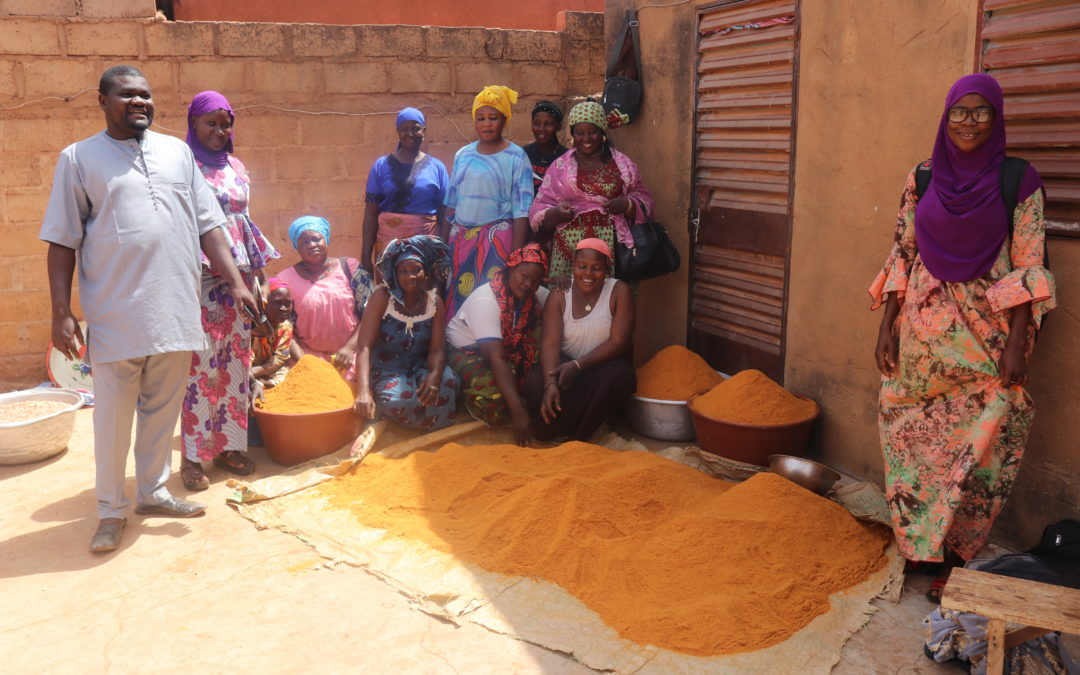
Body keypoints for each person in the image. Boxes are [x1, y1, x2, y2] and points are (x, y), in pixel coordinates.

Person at [40, 65, 257, 553]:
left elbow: (210, 226)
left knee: (162, 411)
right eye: (126, 96)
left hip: (177, 308)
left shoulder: (178, 153)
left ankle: (154, 492)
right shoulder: (78, 159)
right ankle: (110, 510)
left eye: (145, 96)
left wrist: (237, 283)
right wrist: (61, 311)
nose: (139, 103)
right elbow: (60, 240)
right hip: (117, 313)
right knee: (113, 417)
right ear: (101, 101)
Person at [869, 73, 1056, 601]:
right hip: (921, 337)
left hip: (989, 338)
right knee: (909, 433)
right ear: (945, 116)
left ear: (996, 119)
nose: (968, 121)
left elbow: (1029, 263)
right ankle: (918, 545)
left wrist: (1019, 343)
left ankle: (955, 558)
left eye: (981, 112)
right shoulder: (923, 176)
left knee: (982, 447)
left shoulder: (1019, 179)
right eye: (959, 111)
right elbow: (903, 252)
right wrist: (887, 325)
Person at [179, 90, 280, 491]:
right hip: (203, 279)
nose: (220, 131)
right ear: (194, 124)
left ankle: (232, 447)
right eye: (211, 123)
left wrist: (261, 279)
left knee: (237, 365)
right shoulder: (185, 166)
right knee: (199, 370)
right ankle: (192, 457)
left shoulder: (236, 166)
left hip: (240, 281)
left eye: (226, 123)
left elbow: (247, 222)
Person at [529, 100, 654, 284]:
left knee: (609, 303)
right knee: (567, 303)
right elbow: (539, 204)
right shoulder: (560, 167)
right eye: (580, 133)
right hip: (569, 250)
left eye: (592, 131)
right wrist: (554, 213)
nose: (586, 138)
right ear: (572, 134)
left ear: (602, 132)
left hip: (613, 249)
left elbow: (645, 200)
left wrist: (627, 204)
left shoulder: (622, 164)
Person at [526, 238, 636, 441]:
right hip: (567, 368)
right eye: (582, 266)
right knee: (534, 382)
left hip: (600, 366)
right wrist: (550, 383)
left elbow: (619, 343)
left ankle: (579, 436)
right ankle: (559, 424)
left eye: (597, 268)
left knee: (621, 375)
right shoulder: (560, 294)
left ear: (607, 269)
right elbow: (550, 343)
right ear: (573, 265)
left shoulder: (619, 292)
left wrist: (578, 366)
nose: (588, 274)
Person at [444, 85, 534, 320]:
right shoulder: (463, 154)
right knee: (457, 297)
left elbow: (521, 210)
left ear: (504, 120)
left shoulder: (516, 156)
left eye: (493, 118)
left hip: (497, 242)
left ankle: (488, 350)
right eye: (480, 118)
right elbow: (450, 203)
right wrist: (443, 246)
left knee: (491, 300)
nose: (486, 124)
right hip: (460, 241)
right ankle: (458, 350)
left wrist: (514, 256)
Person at [446, 243, 550, 445]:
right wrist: (518, 411)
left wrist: (562, 284)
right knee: (493, 405)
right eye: (524, 276)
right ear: (511, 268)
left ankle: (517, 392)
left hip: (502, 349)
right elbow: (497, 359)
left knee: (541, 335)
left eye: (535, 281)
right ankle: (465, 396)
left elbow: (557, 299)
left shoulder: (533, 294)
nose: (528, 284)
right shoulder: (487, 300)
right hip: (466, 350)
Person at [354, 235, 458, 431]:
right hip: (388, 369)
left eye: (416, 270)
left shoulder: (434, 302)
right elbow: (364, 347)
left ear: (426, 272)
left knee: (448, 381)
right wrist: (363, 391)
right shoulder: (382, 298)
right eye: (403, 271)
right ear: (395, 273)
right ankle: (421, 420)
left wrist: (435, 376)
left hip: (421, 366)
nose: (410, 276)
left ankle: (432, 428)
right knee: (396, 403)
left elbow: (436, 350)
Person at [275, 216, 374, 381]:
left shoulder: (351, 268)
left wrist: (349, 348)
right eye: (304, 242)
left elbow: (370, 315)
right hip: (308, 359)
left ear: (326, 239)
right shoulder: (285, 279)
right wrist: (305, 361)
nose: (312, 244)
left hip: (351, 357)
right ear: (296, 247)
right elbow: (283, 326)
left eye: (316, 239)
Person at [361, 107, 450, 275]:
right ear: (398, 132)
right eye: (404, 129)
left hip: (427, 247)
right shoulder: (381, 166)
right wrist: (365, 256)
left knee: (427, 294)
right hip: (389, 245)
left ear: (424, 130)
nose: (410, 133)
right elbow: (371, 213)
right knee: (388, 295)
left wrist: (442, 250)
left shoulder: (437, 167)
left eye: (416, 128)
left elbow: (445, 213)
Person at [250, 278, 296, 388]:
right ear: (264, 303)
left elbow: (280, 358)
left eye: (287, 303)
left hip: (263, 370)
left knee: (287, 372)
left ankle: (263, 384)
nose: (283, 308)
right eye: (277, 303)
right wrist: (247, 372)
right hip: (245, 368)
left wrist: (253, 372)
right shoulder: (250, 325)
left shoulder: (285, 327)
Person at [522, 100, 567, 196]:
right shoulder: (523, 154)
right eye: (536, 123)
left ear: (559, 126)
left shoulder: (567, 157)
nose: (541, 128)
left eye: (548, 124)